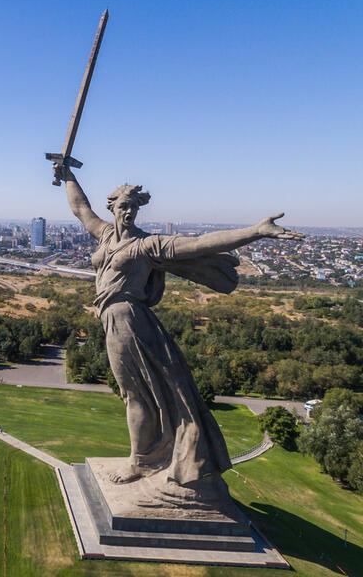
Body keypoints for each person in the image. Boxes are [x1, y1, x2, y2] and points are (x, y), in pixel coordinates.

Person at [55, 163, 303, 488]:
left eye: (133, 207)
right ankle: (146, 457)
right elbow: (80, 208)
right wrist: (67, 173)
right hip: (114, 320)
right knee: (138, 393)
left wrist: (255, 231)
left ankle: (140, 463)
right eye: (123, 206)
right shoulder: (104, 234)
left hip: (129, 321)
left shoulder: (148, 245)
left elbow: (202, 243)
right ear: (112, 206)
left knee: (136, 395)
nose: (128, 212)